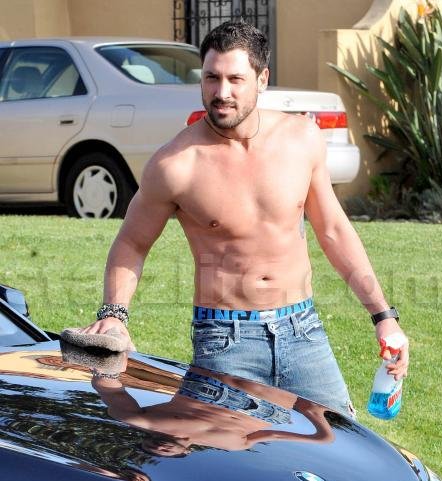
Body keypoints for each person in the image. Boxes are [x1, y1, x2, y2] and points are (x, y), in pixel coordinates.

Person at [81, 21, 409, 417]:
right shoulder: (176, 164)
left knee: (337, 442)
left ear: (262, 79)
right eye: (211, 78)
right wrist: (114, 316)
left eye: (235, 79)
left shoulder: (301, 139)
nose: (221, 93)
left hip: (303, 331)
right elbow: (132, 243)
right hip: (226, 340)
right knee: (224, 454)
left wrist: (384, 317)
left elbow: (334, 231)